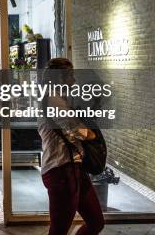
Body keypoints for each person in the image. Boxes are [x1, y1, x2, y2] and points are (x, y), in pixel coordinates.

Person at [38, 58, 104, 235]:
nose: (74, 80)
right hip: (61, 170)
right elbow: (75, 128)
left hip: (74, 168)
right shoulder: (53, 99)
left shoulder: (61, 98)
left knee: (96, 222)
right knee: (59, 230)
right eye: (71, 76)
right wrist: (92, 135)